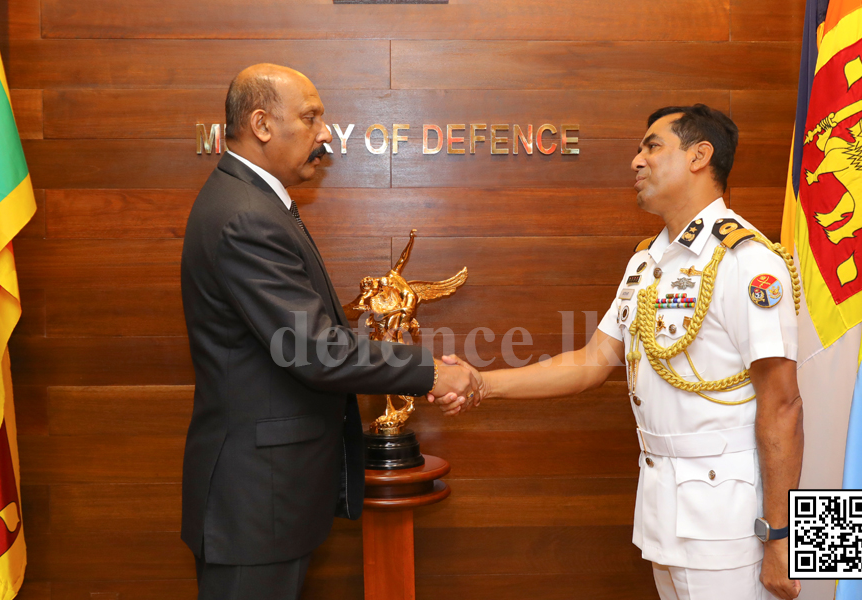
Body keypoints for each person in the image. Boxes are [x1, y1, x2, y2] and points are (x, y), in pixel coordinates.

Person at [432, 105, 803, 600]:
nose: (636, 160)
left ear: (700, 156)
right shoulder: (647, 262)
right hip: (663, 511)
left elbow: (784, 405)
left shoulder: (748, 262)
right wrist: (482, 382)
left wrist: (783, 539)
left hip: (732, 521)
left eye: (652, 146)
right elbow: (591, 362)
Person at [179, 63, 475, 600]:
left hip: (267, 498)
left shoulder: (253, 202)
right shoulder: (247, 216)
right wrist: (431, 370)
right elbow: (316, 351)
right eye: (311, 117)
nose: (324, 133)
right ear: (263, 124)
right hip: (254, 501)